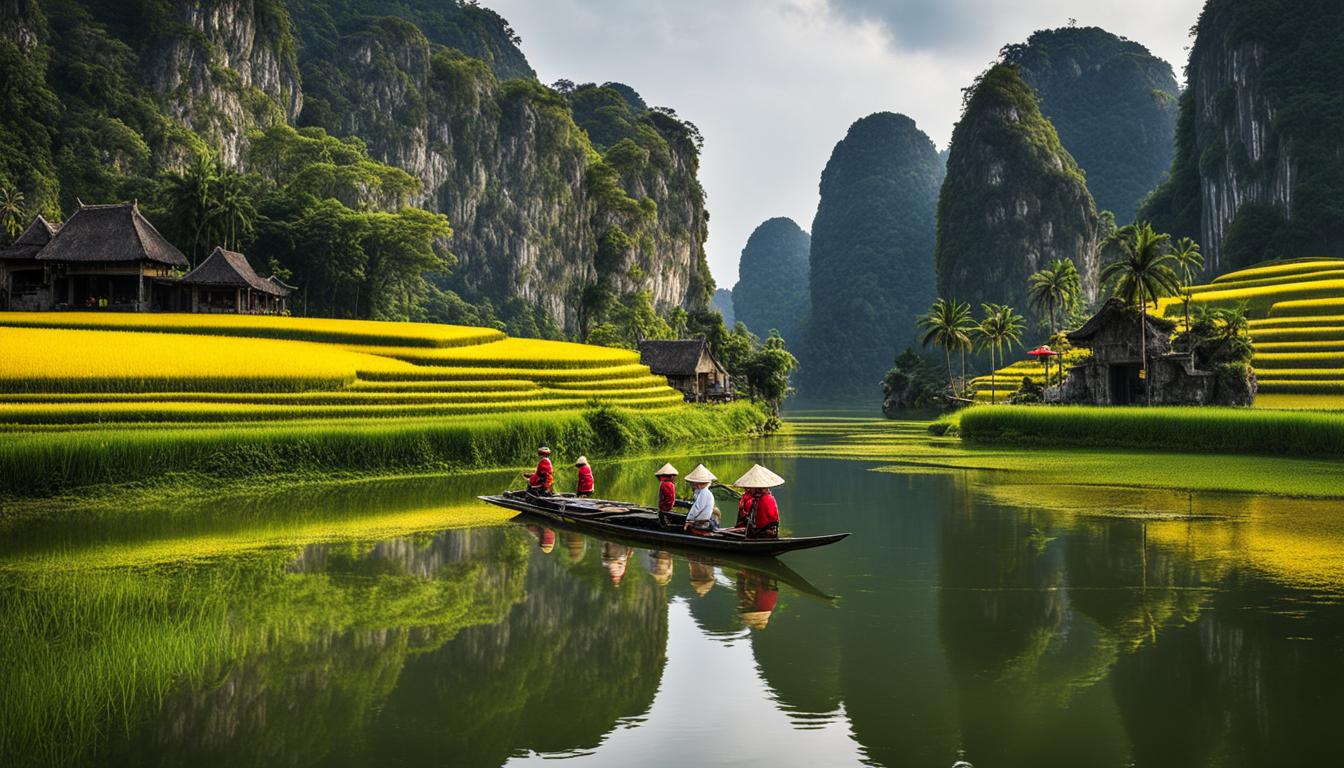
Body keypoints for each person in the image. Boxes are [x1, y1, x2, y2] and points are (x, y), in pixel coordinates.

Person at [731, 464, 784, 539]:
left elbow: (759, 522)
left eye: (750, 488)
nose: (748, 489)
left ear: (757, 488)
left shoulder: (760, 500)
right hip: (770, 530)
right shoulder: (770, 497)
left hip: (762, 532)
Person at [682, 464, 718, 535]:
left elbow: (697, 507)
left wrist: (689, 520)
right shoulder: (702, 491)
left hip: (703, 521)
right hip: (703, 520)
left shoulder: (704, 492)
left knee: (687, 525)